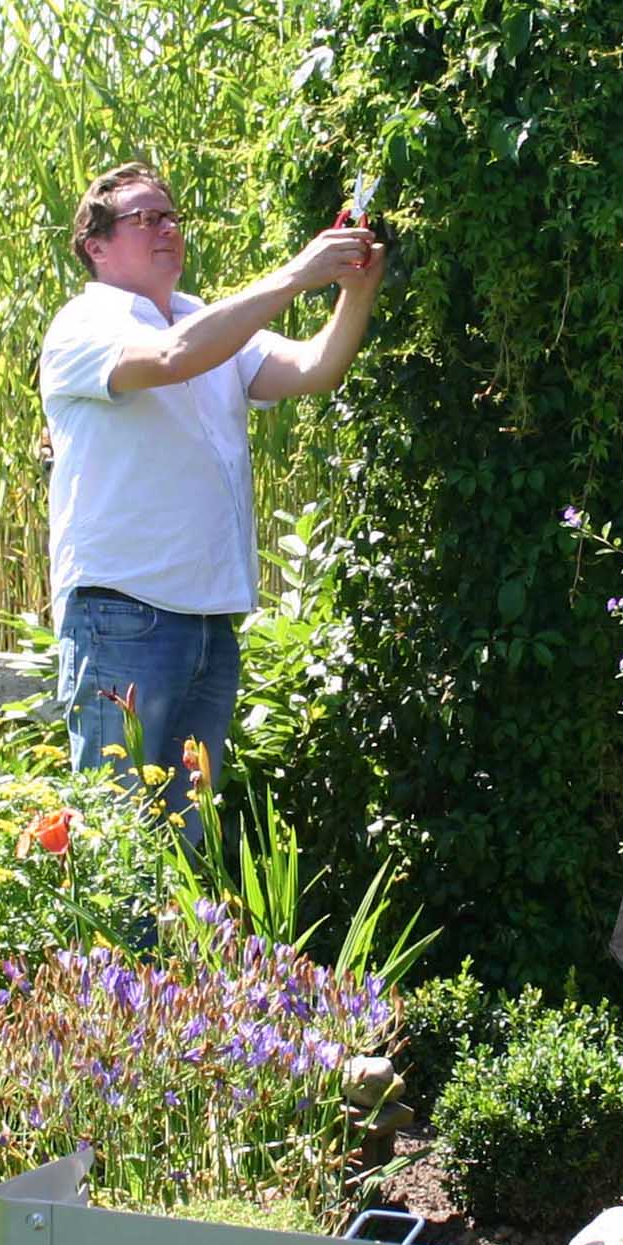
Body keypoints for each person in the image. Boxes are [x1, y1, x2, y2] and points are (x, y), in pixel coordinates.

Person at [39, 163, 382, 829]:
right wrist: (295, 275)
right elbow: (171, 360)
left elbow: (315, 369)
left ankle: (171, 943)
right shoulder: (84, 324)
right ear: (96, 246)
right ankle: (104, 943)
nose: (166, 228)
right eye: (145, 218)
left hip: (208, 622)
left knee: (183, 846)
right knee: (120, 842)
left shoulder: (203, 319)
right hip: (122, 615)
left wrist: (356, 288)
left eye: (171, 216)